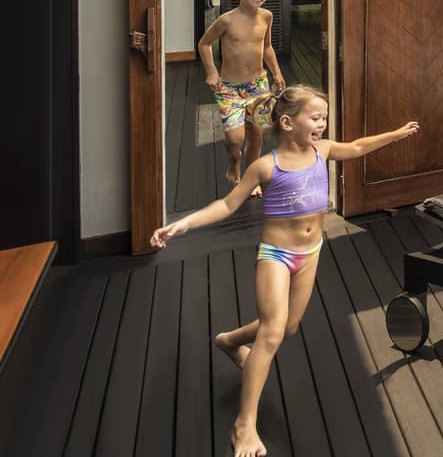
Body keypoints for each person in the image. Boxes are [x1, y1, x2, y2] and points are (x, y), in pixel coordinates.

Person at [151, 85, 419, 457]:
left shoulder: (321, 151)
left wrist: (395, 134)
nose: (322, 125)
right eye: (316, 117)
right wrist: (183, 224)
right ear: (288, 121)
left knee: (288, 327)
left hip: (311, 252)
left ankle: (229, 341)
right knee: (273, 334)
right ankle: (244, 426)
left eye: (324, 118)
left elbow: (356, 147)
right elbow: (227, 205)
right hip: (276, 256)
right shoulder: (266, 166)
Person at [199, 0, 287, 191]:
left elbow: (266, 47)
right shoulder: (226, 21)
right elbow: (204, 44)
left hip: (258, 85)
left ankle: (251, 176)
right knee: (235, 139)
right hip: (229, 88)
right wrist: (212, 72)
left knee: (257, 133)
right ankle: (234, 158)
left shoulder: (267, 16)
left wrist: (276, 72)